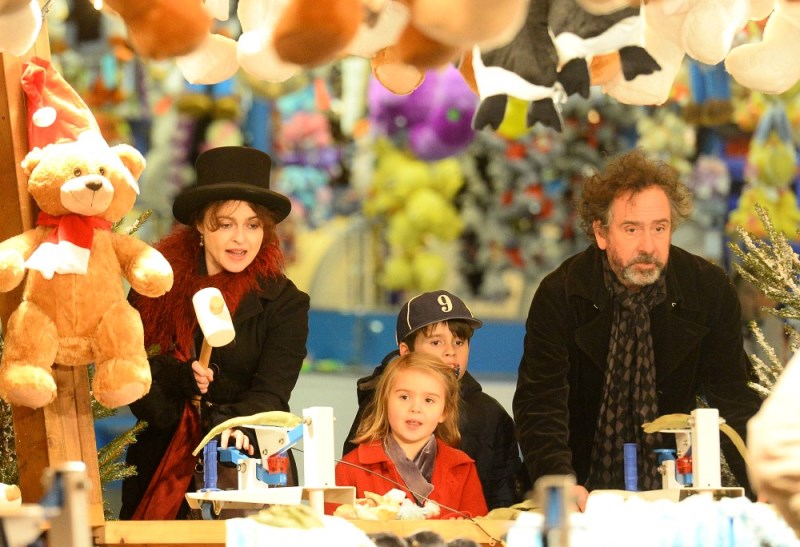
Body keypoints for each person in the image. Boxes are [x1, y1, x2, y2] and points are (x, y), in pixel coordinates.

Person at [513, 148, 762, 511]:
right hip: (582, 491)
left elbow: (735, 400)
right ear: (601, 233)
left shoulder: (706, 290)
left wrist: (767, 489)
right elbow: (540, 404)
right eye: (631, 229)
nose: (648, 246)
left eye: (659, 228)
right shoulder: (561, 293)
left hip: (675, 494)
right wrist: (559, 482)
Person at [119, 146, 310, 520]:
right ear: (201, 226)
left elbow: (271, 396)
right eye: (225, 224)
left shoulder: (285, 303)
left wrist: (217, 424)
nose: (241, 239)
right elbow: (136, 387)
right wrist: (180, 379)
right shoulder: (155, 288)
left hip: (250, 471)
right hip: (162, 477)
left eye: (253, 225)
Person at [343, 289, 528, 510]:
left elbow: (504, 501)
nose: (450, 352)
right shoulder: (377, 404)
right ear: (406, 351)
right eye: (436, 343)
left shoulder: (491, 414)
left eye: (459, 342)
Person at [336, 352, 488, 519]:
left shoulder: (462, 468)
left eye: (429, 400)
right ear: (385, 402)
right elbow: (329, 528)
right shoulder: (350, 468)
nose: (415, 408)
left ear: (445, 411)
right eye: (404, 397)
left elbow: (480, 530)